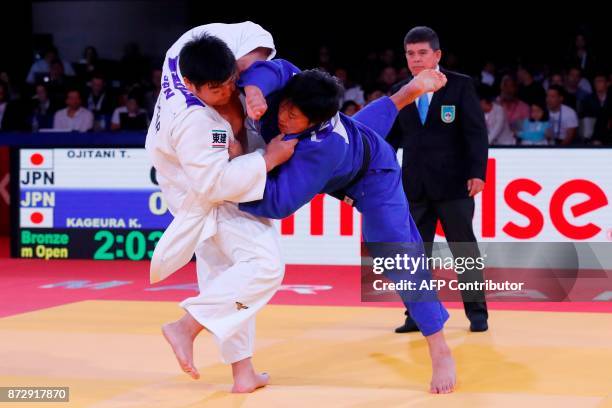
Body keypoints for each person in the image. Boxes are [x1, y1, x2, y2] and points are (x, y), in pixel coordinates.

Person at [237, 58, 457, 394]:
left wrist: (232, 180)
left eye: (293, 117)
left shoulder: (321, 149)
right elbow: (276, 68)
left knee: (394, 254)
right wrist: (254, 90)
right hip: (354, 135)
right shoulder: (302, 91)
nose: (282, 117)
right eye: (284, 107)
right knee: (361, 127)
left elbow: (278, 203)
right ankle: (410, 90)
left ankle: (438, 345)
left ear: (314, 122)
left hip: (371, 176)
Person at [145, 25, 296, 393]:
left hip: (193, 184)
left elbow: (251, 37)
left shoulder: (185, 50)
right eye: (216, 90)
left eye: (231, 82)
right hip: (203, 194)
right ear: (193, 86)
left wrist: (253, 82)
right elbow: (215, 184)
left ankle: (242, 373)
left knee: (225, 275)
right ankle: (186, 326)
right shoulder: (197, 121)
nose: (228, 92)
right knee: (264, 266)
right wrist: (267, 159)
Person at [386, 26, 489, 333]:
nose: (416, 60)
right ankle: (416, 316)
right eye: (410, 54)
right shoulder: (401, 92)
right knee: (415, 255)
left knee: (464, 250)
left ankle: (478, 314)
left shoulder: (459, 86)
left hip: (455, 184)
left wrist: (477, 173)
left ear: (437, 55)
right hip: (415, 186)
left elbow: (476, 133)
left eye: (422, 53)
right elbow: (390, 140)